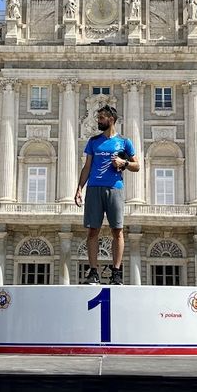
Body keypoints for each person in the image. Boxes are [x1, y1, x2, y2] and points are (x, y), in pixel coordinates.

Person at [74, 105, 140, 285]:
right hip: (94, 188)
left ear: (111, 119)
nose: (98, 121)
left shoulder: (124, 142)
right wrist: (79, 188)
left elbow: (137, 166)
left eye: (101, 118)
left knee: (117, 230)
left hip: (115, 188)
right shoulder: (93, 141)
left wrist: (124, 163)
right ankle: (93, 272)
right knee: (92, 230)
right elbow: (87, 167)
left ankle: (116, 273)